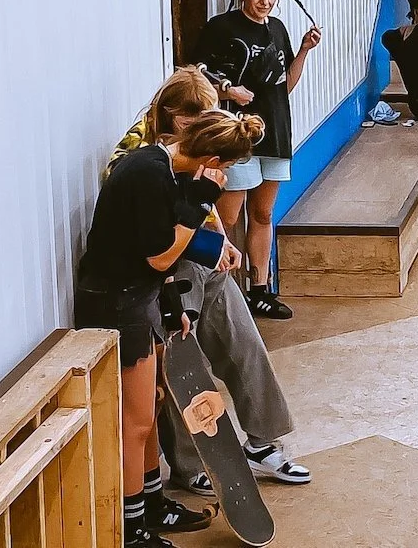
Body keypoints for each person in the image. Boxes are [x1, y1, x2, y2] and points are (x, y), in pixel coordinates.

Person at [105, 67, 312, 498]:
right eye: (190, 117)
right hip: (168, 268)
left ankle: (262, 438)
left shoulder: (201, 143)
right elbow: (155, 234)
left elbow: (206, 194)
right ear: (169, 112)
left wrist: (219, 239)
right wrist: (200, 239)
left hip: (202, 255)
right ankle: (188, 461)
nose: (197, 125)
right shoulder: (138, 155)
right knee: (186, 363)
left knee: (244, 340)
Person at [76, 109, 265, 548]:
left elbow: (154, 256)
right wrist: (200, 202)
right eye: (228, 168)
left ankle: (152, 503)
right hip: (114, 304)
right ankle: (130, 528)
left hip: (137, 298)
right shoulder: (148, 174)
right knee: (136, 422)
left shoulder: (165, 171)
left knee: (155, 404)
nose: (225, 179)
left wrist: (170, 304)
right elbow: (160, 256)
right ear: (213, 159)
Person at [192, 0, 322, 319]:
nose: (264, 1)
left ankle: (259, 288)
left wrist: (305, 52)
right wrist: (227, 89)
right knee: (229, 215)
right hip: (237, 135)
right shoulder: (222, 27)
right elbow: (195, 72)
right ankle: (223, 293)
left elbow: (285, 86)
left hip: (274, 131)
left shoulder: (278, 29)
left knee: (263, 213)